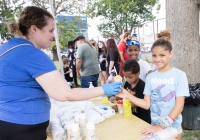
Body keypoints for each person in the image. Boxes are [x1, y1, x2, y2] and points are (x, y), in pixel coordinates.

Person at [0, 6, 122, 140]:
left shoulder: (6, 49)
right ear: (34, 29)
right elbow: (66, 94)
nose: (54, 36)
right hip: (23, 128)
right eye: (51, 30)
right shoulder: (32, 54)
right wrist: (104, 89)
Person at [117, 29, 190, 140]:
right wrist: (127, 95)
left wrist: (161, 126)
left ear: (170, 54)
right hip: (154, 125)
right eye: (154, 55)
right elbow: (146, 104)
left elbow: (179, 106)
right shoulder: (150, 77)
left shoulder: (180, 75)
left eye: (162, 55)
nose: (157, 59)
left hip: (173, 126)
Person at [110, 60, 151, 124]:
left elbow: (137, 104)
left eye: (130, 77)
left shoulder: (142, 86)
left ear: (138, 73)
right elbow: (121, 96)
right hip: (132, 115)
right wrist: (115, 97)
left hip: (142, 118)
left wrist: (121, 106)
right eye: (125, 77)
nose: (127, 79)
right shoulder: (127, 83)